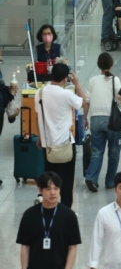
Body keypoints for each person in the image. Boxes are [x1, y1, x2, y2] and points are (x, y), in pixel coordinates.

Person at [35, 62, 84, 209]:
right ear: (65, 78)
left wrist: (39, 137)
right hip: (65, 145)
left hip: (47, 144)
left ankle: (49, 207)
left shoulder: (40, 93)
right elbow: (84, 101)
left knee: (49, 181)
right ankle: (65, 211)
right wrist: (77, 83)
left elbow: (39, 117)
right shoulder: (66, 94)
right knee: (66, 183)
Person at [83, 53, 121, 192]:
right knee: (114, 152)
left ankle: (91, 178)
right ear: (111, 64)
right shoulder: (115, 80)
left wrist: (84, 118)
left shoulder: (93, 80)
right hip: (112, 120)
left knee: (97, 151)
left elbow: (86, 101)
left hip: (95, 119)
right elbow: (120, 98)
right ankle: (110, 181)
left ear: (98, 65)